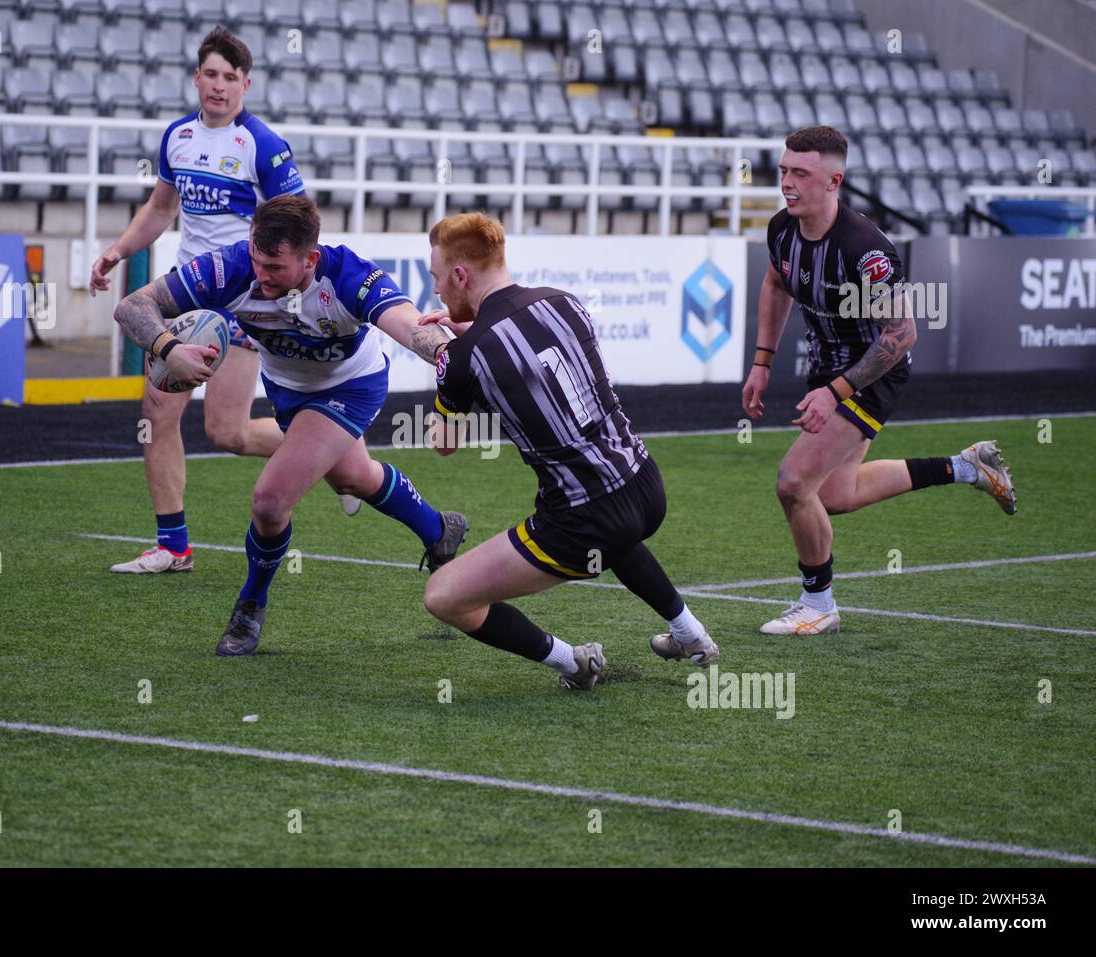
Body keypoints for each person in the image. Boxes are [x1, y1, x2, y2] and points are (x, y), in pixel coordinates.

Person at [113, 195, 469, 656]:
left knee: (269, 498)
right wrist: (168, 348)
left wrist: (447, 355)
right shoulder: (232, 268)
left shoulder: (348, 275)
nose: (262, 276)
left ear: (311, 259)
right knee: (353, 476)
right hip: (285, 388)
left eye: (276, 268)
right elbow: (131, 307)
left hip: (350, 386)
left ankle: (249, 607)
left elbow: (410, 326)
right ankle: (439, 528)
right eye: (258, 261)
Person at [89, 26, 355, 576]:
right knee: (157, 412)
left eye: (229, 77)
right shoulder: (177, 137)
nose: (218, 85)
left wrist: (296, 292)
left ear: (245, 85)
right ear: (197, 78)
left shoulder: (262, 145)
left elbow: (299, 226)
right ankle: (173, 546)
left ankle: (332, 454)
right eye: (210, 74)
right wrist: (118, 249)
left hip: (245, 302)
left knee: (226, 433)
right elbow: (161, 210)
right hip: (185, 298)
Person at [418, 213, 719, 692]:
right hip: (643, 484)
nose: (434, 291)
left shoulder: (463, 355)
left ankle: (573, 663)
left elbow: (444, 444)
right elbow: (524, 348)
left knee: (444, 596)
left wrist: (443, 357)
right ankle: (689, 633)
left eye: (435, 277)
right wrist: (469, 339)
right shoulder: (564, 302)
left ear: (459, 275)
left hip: (581, 520)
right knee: (615, 536)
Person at [744, 126, 1018, 637]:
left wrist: (834, 392)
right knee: (835, 496)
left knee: (794, 483)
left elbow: (902, 332)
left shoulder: (866, 249)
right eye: (783, 170)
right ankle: (966, 468)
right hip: (825, 370)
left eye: (800, 173)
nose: (787, 183)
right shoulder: (782, 228)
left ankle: (817, 603)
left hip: (874, 369)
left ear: (834, 180)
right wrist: (762, 362)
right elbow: (776, 281)